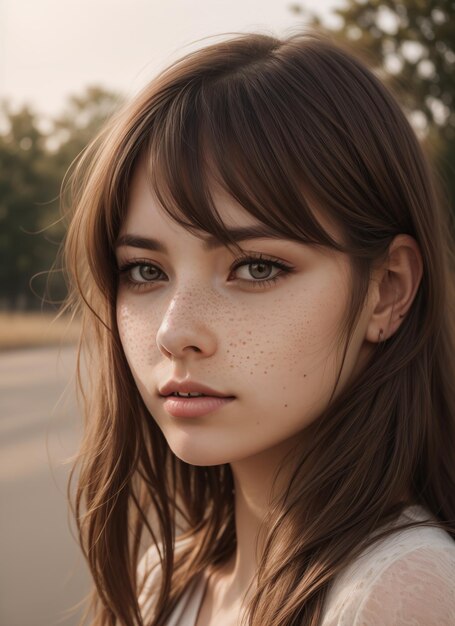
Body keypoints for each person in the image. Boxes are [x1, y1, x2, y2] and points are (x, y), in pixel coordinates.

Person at [61, 28, 455, 626]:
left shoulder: (400, 595)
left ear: (387, 289)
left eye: (256, 266)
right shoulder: (167, 579)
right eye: (144, 270)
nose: (175, 333)